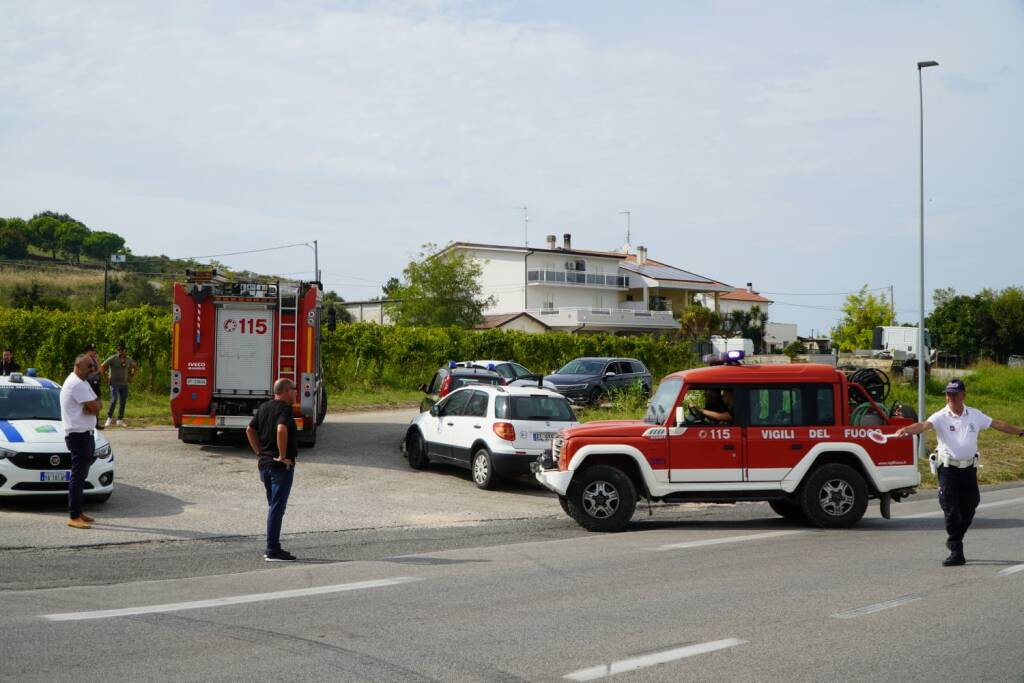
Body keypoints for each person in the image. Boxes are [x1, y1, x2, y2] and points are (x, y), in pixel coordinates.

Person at [894, 378, 1024, 566]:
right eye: (948, 394)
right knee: (951, 509)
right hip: (948, 469)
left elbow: (998, 424)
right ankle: (957, 550)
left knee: (970, 506)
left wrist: (1020, 431)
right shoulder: (941, 416)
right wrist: (906, 429)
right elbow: (923, 426)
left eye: (955, 394)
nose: (951, 397)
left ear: (963, 395)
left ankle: (954, 538)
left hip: (969, 469)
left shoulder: (975, 415)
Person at [246, 378, 299, 562]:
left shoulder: (264, 407)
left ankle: (273, 546)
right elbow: (281, 429)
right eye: (294, 389)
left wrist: (260, 453)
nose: (296, 392)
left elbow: (249, 430)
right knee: (276, 508)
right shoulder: (284, 409)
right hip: (279, 467)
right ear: (285, 391)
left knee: (274, 508)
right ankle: (272, 550)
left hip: (265, 466)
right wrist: (283, 455)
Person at [60, 354, 103, 530]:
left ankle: (78, 511)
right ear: (78, 366)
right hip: (78, 436)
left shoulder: (83, 382)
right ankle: (74, 515)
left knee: (81, 475)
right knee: (78, 477)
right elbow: (95, 407)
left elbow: (98, 403)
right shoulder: (76, 383)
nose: (92, 370)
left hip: (85, 434)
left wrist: (93, 406)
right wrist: (92, 406)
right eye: (89, 367)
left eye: (93, 366)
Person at [101, 342, 138, 427]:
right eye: (118, 349)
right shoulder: (113, 358)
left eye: (122, 349)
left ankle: (120, 420)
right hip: (114, 383)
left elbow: (135, 367)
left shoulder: (128, 359)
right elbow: (102, 366)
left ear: (125, 350)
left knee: (123, 401)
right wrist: (106, 378)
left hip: (124, 384)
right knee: (114, 399)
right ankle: (109, 418)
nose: (120, 351)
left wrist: (131, 376)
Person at [84, 344, 103, 429]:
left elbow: (101, 371)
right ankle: (89, 423)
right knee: (89, 403)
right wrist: (96, 372)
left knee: (97, 401)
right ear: (88, 351)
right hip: (89, 383)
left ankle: (96, 423)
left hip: (96, 383)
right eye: (92, 350)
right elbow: (87, 373)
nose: (95, 352)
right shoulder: (85, 360)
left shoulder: (95, 360)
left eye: (95, 350)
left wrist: (98, 361)